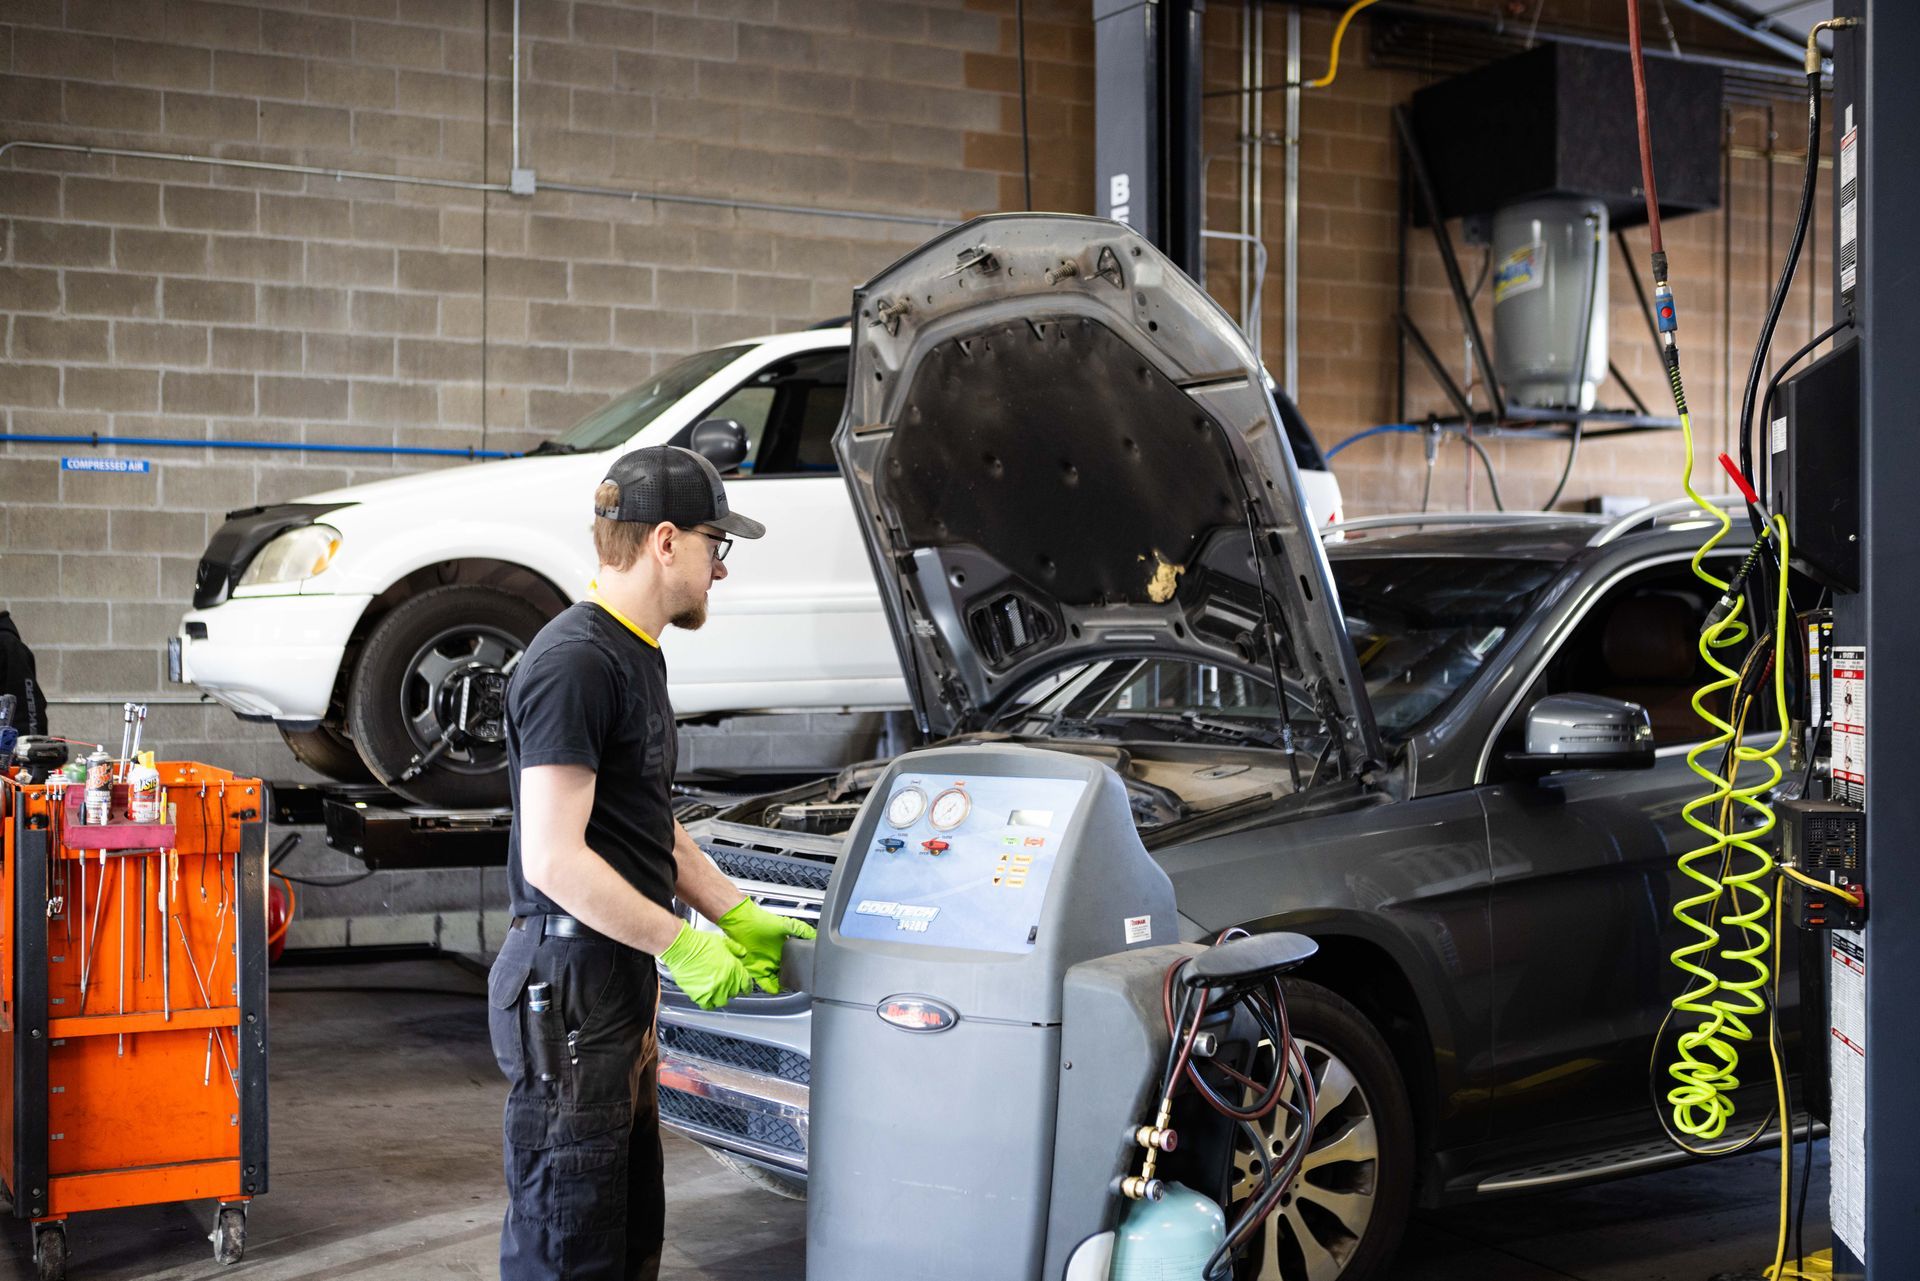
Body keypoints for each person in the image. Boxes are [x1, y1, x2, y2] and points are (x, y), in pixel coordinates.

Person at [487, 445, 815, 1281]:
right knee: (571, 1243)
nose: (721, 568)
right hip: (568, 985)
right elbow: (553, 858)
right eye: (716, 544)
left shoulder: (635, 652)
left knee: (626, 1232)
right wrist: (683, 942)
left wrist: (733, 910)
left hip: (612, 978)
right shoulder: (574, 663)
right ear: (665, 541)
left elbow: (645, 822)